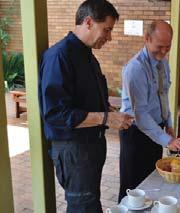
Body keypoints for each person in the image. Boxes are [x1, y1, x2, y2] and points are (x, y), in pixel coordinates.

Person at [38, 0, 133, 212]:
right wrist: (107, 118)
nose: (109, 37)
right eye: (107, 30)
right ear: (88, 22)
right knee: (84, 206)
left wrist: (109, 110)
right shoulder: (59, 56)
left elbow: (86, 99)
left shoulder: (88, 56)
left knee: (89, 202)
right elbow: (55, 114)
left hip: (91, 147)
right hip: (74, 149)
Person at [118, 20, 180, 202]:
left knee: (150, 180)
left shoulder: (163, 62)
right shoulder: (135, 68)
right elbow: (140, 114)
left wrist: (169, 125)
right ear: (147, 39)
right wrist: (168, 141)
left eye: (168, 47)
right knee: (132, 186)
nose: (164, 52)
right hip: (134, 131)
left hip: (155, 128)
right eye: (160, 47)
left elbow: (163, 95)